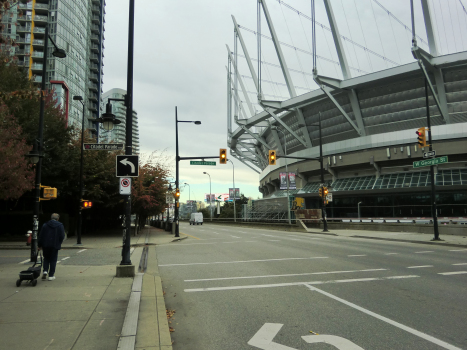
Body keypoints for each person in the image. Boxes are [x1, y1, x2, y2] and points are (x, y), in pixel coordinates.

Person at [38, 213, 65, 281]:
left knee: (46, 258)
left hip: (46, 244)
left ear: (51, 218)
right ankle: (51, 275)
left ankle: (45, 271)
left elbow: (41, 236)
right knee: (53, 259)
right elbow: (62, 236)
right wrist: (59, 242)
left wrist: (39, 245)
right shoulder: (60, 225)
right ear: (58, 218)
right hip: (55, 245)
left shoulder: (45, 225)